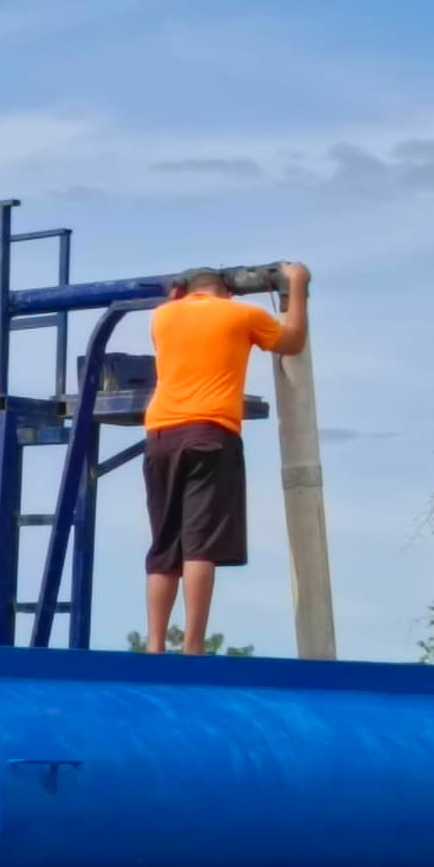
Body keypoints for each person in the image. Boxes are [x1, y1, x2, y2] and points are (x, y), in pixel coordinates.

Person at [141, 262, 310, 653]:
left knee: (164, 543)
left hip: (161, 434)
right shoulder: (241, 314)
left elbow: (177, 310)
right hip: (210, 432)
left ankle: (154, 646)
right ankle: (193, 645)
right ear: (228, 292)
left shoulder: (162, 317)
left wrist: (175, 298)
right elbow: (293, 340)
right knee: (200, 543)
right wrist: (296, 285)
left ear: (183, 292)